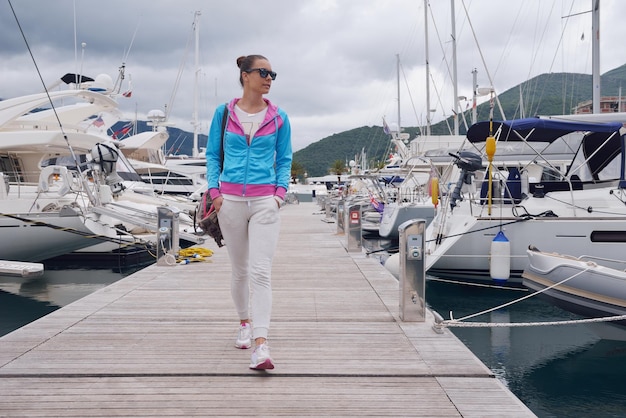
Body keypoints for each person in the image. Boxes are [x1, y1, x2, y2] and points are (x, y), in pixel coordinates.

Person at [205, 55, 292, 370]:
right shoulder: (224, 114)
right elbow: (213, 154)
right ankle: (243, 322)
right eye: (263, 72)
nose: (269, 78)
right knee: (240, 270)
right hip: (229, 202)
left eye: (273, 74)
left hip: (264, 202)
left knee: (261, 272)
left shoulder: (279, 117)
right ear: (245, 76)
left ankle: (261, 343)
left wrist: (279, 196)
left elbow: (284, 160)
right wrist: (215, 193)